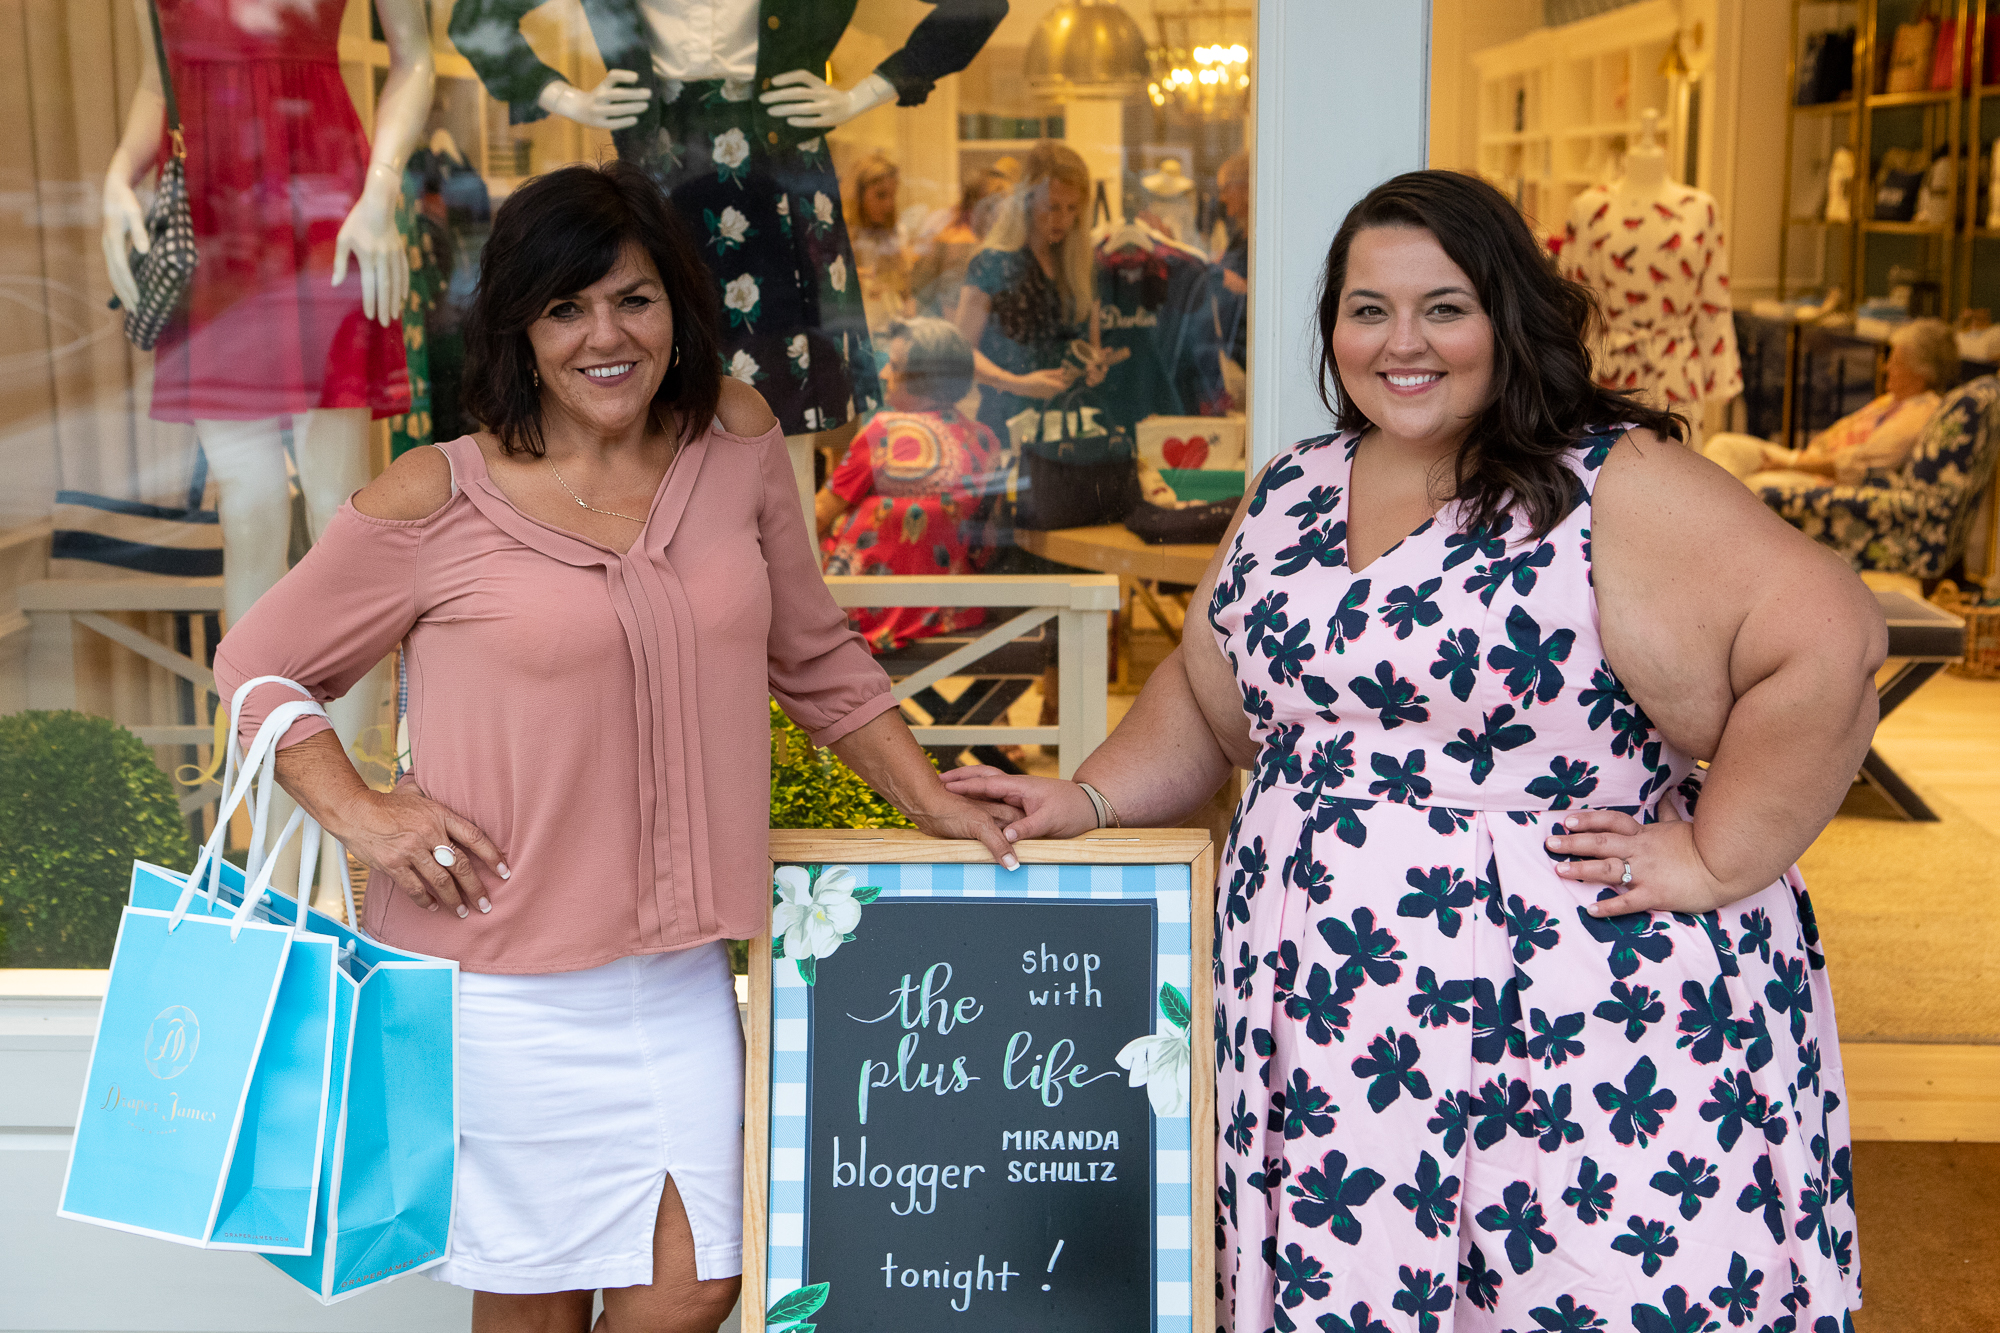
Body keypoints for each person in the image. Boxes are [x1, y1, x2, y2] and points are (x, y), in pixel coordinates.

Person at [944, 170, 1880, 1331]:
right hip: (1328, 1011)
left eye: (1443, 308)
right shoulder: (1292, 483)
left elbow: (1829, 639)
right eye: (1366, 309)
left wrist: (1717, 854)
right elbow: (1210, 696)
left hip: (1566, 1008)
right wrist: (1085, 797)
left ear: (1508, 315)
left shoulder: (1606, 481)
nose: (1401, 343)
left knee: (1566, 1285)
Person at [210, 161, 1016, 1333]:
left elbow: (814, 654)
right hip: (496, 980)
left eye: (634, 300)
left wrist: (928, 797)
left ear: (677, 308)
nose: (606, 336)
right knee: (535, 1300)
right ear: (518, 328)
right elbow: (257, 665)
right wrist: (363, 811)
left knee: (699, 1280)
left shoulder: (734, 440)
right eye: (565, 308)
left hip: (677, 973)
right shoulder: (437, 494)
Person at [818, 317, 1001, 651]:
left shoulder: (884, 432)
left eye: (895, 366)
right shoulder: (985, 441)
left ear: (923, 379)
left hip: (863, 617)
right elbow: (986, 536)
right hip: (952, 613)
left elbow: (816, 515)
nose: (884, 373)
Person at [953, 139, 1102, 447]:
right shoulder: (992, 263)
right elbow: (960, 351)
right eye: (1053, 207)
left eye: (1072, 208)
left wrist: (1094, 366)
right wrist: (1017, 383)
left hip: (1070, 424)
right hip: (1007, 423)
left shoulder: (1079, 266)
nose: (1062, 219)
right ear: (1028, 199)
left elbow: (1091, 346)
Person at [1705, 318, 1956, 490]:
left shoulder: (1918, 414)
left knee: (1754, 488)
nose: (1886, 367)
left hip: (1829, 483)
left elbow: (1854, 467)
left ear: (1921, 374)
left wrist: (1788, 465)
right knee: (1723, 446)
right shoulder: (1894, 400)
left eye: (1897, 363)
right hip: (1808, 460)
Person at [911, 168, 1013, 317]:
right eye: (999, 206)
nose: (1005, 215)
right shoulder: (964, 246)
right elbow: (953, 315)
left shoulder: (956, 235)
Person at [845, 152, 915, 336]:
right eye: (880, 195)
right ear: (859, 195)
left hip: (891, 328)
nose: (889, 204)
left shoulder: (896, 233)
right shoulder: (842, 234)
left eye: (892, 196)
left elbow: (906, 293)